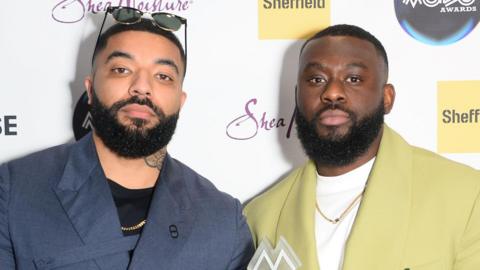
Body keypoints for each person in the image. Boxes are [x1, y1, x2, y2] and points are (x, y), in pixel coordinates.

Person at [0, 12, 253, 269]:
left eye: (163, 76)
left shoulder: (222, 221)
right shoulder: (15, 191)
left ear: (180, 101)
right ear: (90, 90)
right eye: (122, 70)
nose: (142, 87)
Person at [244, 24, 480, 270]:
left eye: (353, 79)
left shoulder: (466, 195)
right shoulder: (260, 217)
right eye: (316, 79)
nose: (333, 92)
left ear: (386, 98)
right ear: (297, 97)